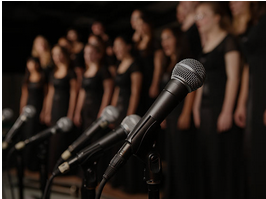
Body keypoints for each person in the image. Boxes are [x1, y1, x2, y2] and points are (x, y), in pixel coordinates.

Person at [193, 2, 243, 199]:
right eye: (196, 16)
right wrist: (196, 108)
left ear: (217, 17)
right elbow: (201, 81)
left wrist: (227, 110)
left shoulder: (228, 41)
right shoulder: (205, 45)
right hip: (204, 109)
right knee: (206, 159)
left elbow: (234, 77)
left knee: (220, 159)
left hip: (219, 106)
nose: (198, 20)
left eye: (202, 15)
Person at [234, 2, 266, 198]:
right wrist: (241, 102)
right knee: (254, 150)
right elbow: (248, 66)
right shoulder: (251, 24)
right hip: (255, 91)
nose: (231, 3)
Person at [160, 27, 197, 199]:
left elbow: (191, 89)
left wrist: (187, 113)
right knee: (172, 156)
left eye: (168, 38)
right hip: (172, 114)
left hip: (182, 112)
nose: (164, 43)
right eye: (162, 39)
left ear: (177, 39)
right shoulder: (169, 62)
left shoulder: (185, 61)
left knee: (183, 158)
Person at [110, 35, 145, 193]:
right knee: (117, 145)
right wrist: (113, 110)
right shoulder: (119, 64)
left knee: (128, 147)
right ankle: (119, 180)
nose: (116, 49)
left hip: (129, 111)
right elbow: (117, 90)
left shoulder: (134, 65)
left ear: (128, 46)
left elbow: (135, 92)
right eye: (114, 46)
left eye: (119, 45)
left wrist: (129, 116)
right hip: (119, 109)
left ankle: (131, 184)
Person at [44, 45, 77, 173]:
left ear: (64, 54)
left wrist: (71, 113)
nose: (57, 57)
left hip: (65, 107)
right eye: (54, 54)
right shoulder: (53, 72)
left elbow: (74, 94)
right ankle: (52, 168)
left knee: (62, 139)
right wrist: (46, 111)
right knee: (53, 139)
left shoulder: (70, 72)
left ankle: (62, 170)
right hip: (54, 109)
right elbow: (50, 94)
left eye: (59, 54)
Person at [73, 44, 113, 131]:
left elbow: (108, 91)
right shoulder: (85, 72)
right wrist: (77, 111)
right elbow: (82, 93)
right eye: (86, 53)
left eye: (91, 53)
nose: (88, 56)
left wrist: (102, 112)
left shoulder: (103, 71)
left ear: (98, 55)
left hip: (97, 107)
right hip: (87, 110)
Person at [133, 12, 164, 113]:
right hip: (139, 82)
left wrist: (155, 84)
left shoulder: (154, 43)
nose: (140, 27)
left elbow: (158, 66)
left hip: (150, 80)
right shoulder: (137, 44)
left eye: (142, 24)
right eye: (138, 25)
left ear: (148, 24)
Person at [20, 57, 46, 171]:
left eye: (34, 63)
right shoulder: (27, 78)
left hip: (39, 107)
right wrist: (22, 111)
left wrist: (45, 110)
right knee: (27, 134)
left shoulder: (42, 77)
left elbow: (46, 95)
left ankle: (35, 165)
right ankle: (26, 163)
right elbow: (24, 96)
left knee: (36, 133)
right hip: (29, 108)